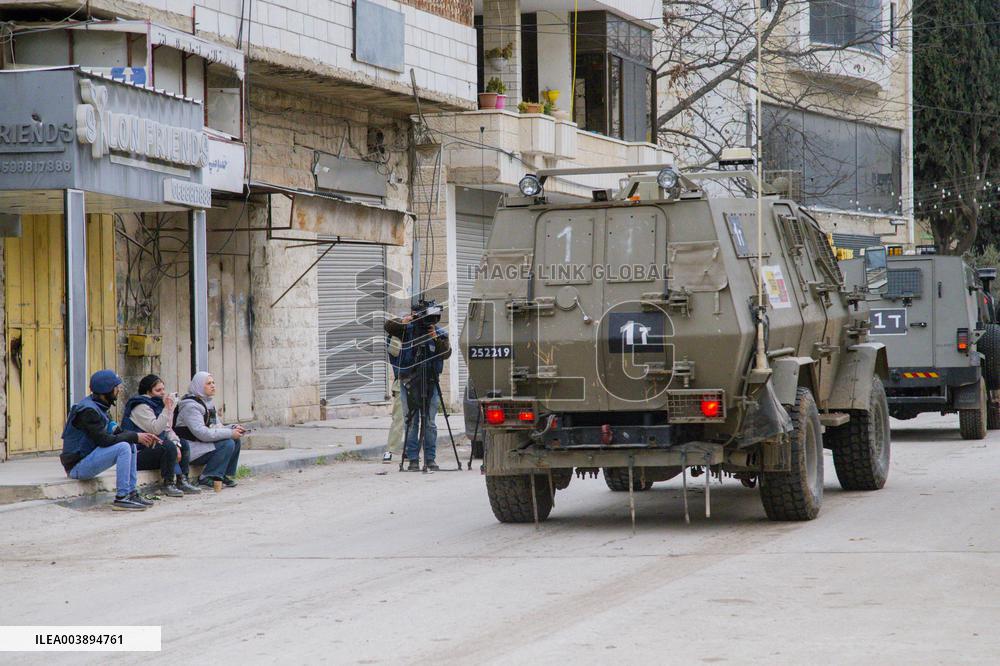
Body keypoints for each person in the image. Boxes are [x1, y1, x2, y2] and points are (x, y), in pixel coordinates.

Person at [60, 370, 160, 511]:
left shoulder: (99, 406)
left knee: (130, 444)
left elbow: (117, 432)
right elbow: (104, 440)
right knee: (123, 447)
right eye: (116, 387)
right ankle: (122, 497)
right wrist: (135, 436)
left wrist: (141, 436)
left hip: (87, 460)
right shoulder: (88, 411)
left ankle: (131, 493)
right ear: (106, 390)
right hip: (77, 467)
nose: (118, 390)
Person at [384, 300, 451, 471]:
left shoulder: (438, 332)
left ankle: (430, 459)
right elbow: (388, 326)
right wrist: (405, 320)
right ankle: (412, 459)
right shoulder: (406, 330)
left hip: (431, 382)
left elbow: (446, 353)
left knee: (429, 422)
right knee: (411, 422)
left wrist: (435, 338)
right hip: (408, 382)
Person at [122, 374, 201, 497]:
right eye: (158, 390)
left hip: (153, 448)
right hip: (138, 454)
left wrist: (177, 443)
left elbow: (167, 429)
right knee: (167, 446)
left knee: (183, 443)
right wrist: (167, 408)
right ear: (148, 392)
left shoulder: (157, 405)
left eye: (163, 389)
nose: (163, 393)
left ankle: (182, 480)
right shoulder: (140, 406)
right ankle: (168, 483)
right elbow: (156, 429)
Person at [173, 371, 246, 489]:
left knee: (235, 440)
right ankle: (208, 476)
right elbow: (202, 433)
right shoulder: (190, 406)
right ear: (198, 386)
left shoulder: (207, 403)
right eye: (208, 383)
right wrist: (230, 433)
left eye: (213, 382)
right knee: (227, 443)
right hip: (191, 448)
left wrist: (233, 428)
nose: (213, 386)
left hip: (203, 444)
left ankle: (222, 475)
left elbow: (217, 427)